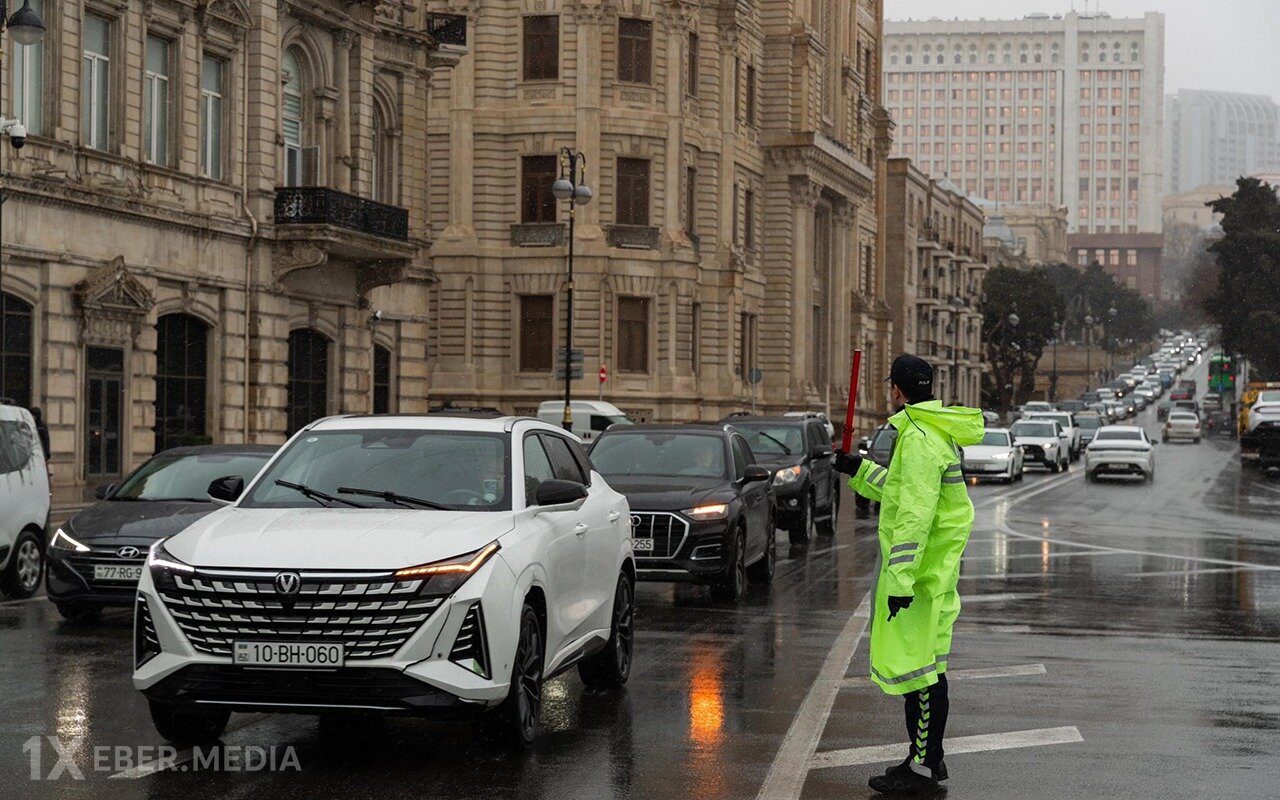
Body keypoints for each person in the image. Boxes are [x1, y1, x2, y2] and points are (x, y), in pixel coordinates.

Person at [833, 354, 984, 795]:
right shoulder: (932, 433)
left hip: (919, 578)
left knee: (919, 675)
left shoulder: (918, 439)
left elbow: (914, 516)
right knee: (928, 671)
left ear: (896, 390)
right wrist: (857, 469)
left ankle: (920, 770)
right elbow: (903, 492)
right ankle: (927, 761)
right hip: (933, 572)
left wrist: (899, 583)